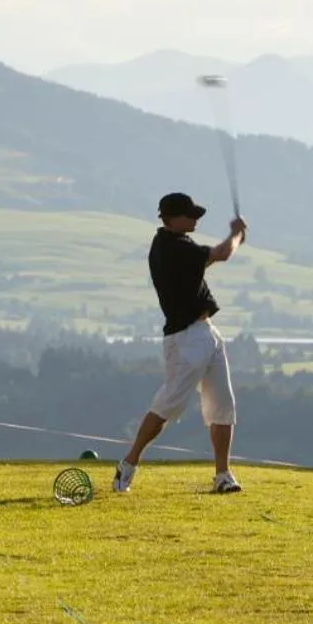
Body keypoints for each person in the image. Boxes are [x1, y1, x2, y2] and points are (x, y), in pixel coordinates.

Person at [115, 192, 249, 495]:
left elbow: (210, 259)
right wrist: (237, 234)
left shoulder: (178, 244)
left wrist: (236, 237)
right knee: (169, 404)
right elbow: (222, 254)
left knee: (223, 405)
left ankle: (223, 475)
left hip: (206, 332)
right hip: (185, 338)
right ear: (172, 218)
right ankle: (129, 463)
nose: (195, 219)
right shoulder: (171, 247)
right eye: (190, 215)